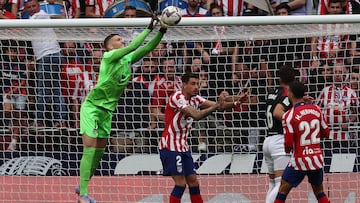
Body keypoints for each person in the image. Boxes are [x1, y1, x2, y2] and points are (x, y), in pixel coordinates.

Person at [76, 17, 168, 203]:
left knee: (100, 152)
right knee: (90, 147)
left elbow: (147, 48)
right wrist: (149, 27)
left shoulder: (126, 59)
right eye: (118, 40)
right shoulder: (108, 57)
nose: (122, 41)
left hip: (107, 112)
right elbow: (134, 45)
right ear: (109, 47)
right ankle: (83, 194)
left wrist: (161, 31)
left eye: (122, 39)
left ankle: (82, 184)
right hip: (92, 108)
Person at [159, 72, 247, 203]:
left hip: (182, 146)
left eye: (198, 84)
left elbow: (219, 105)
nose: (196, 87)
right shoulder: (177, 97)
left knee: (193, 182)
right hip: (170, 146)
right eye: (193, 84)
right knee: (181, 184)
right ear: (184, 85)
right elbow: (196, 115)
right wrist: (218, 105)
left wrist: (236, 101)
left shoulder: (195, 99)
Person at [275, 81, 330, 203]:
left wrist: (289, 151)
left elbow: (288, 144)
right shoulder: (316, 109)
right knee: (319, 191)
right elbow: (326, 133)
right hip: (316, 159)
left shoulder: (288, 115)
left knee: (282, 190)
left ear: (291, 94)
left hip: (299, 160)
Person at [24, 0, 68, 128]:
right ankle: (61, 121)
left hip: (47, 56)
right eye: (29, 7)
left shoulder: (39, 16)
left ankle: (40, 120)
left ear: (39, 6)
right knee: (55, 88)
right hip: (55, 54)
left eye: (34, 6)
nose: (32, 8)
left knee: (43, 90)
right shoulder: (42, 16)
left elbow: (18, 28)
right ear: (26, 9)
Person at [262, 65, 296, 203]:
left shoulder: (272, 92)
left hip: (268, 139)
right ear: (294, 78)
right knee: (281, 184)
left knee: (273, 184)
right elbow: (277, 112)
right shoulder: (288, 93)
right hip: (279, 142)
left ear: (279, 78)